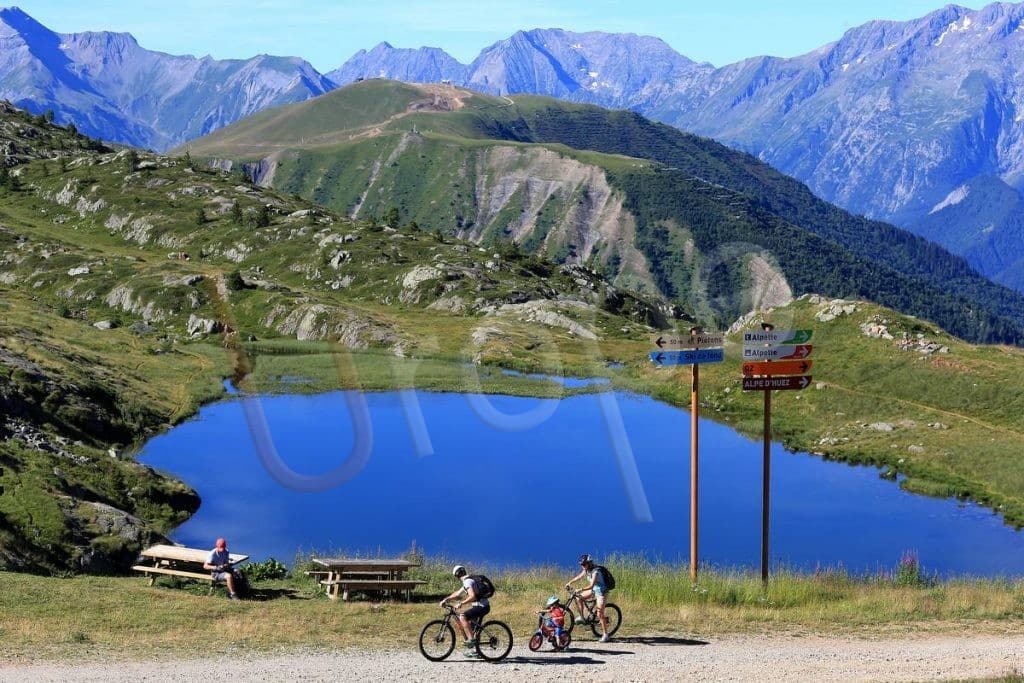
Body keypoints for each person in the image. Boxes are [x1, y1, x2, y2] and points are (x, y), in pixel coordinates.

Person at [440, 565, 489, 655]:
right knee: (470, 627)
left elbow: (472, 596)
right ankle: (476, 651)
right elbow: (457, 593)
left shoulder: (467, 582)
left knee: (463, 616)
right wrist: (446, 599)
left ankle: (472, 640)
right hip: (479, 606)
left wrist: (461, 603)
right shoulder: (469, 580)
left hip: (482, 606)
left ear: (457, 575)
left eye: (456, 576)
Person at [565, 553, 611, 642]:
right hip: (594, 590)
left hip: (601, 592)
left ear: (589, 563)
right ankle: (582, 617)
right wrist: (570, 582)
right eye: (581, 564)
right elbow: (579, 576)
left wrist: (581, 589)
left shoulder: (595, 572)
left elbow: (591, 585)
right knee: (579, 598)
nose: (582, 566)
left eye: (583, 564)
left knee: (600, 614)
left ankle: (606, 635)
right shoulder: (586, 570)